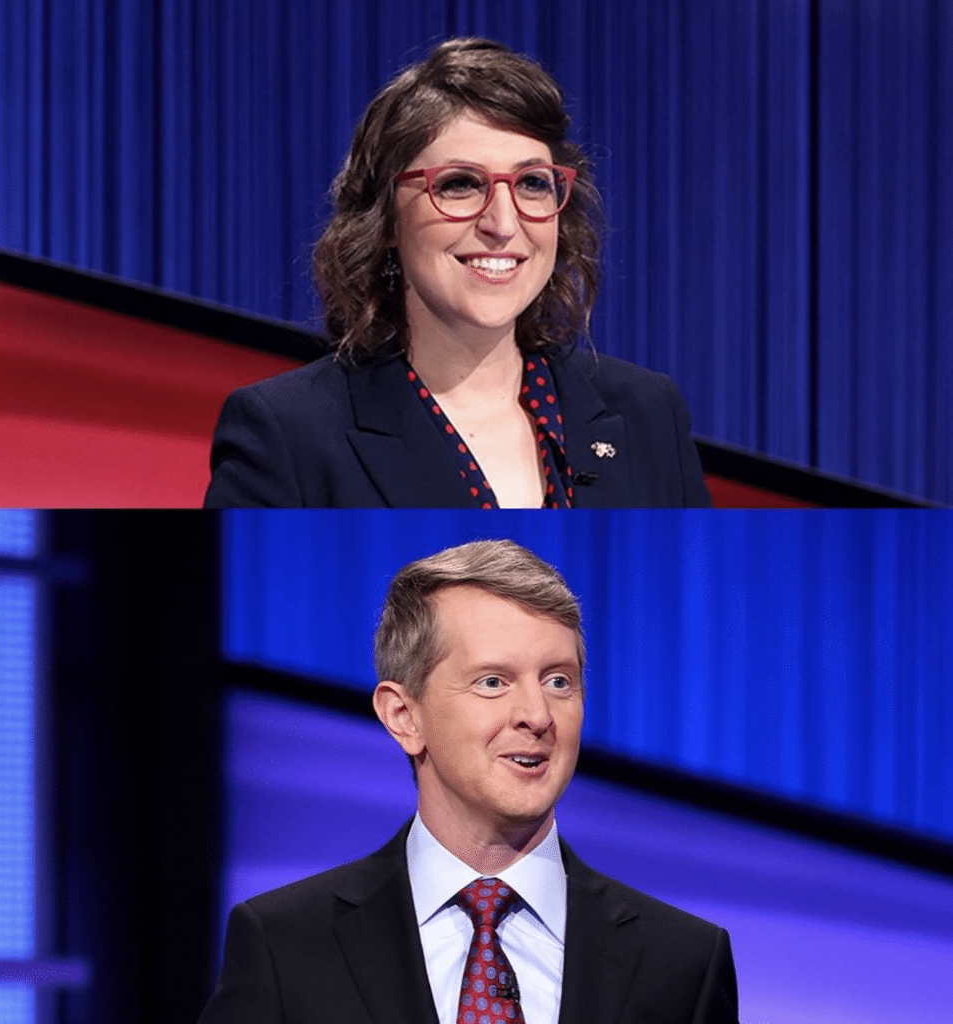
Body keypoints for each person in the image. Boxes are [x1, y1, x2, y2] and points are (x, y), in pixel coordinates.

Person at [199, 540, 738, 1024]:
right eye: (492, 682)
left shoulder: (682, 961)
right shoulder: (286, 943)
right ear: (404, 716)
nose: (537, 714)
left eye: (558, 681)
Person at [204, 39, 711, 508]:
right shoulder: (285, 435)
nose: (503, 224)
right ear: (384, 219)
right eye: (460, 184)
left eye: (532, 183)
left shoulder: (650, 414)